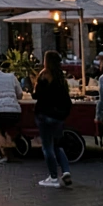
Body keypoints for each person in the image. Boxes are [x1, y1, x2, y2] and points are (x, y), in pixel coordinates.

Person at [32, 51, 73, 188]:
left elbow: (37, 95)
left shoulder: (44, 75)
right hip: (58, 117)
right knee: (57, 145)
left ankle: (53, 177)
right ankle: (66, 171)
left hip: (44, 115)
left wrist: (36, 83)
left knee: (47, 147)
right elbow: (66, 99)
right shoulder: (61, 78)